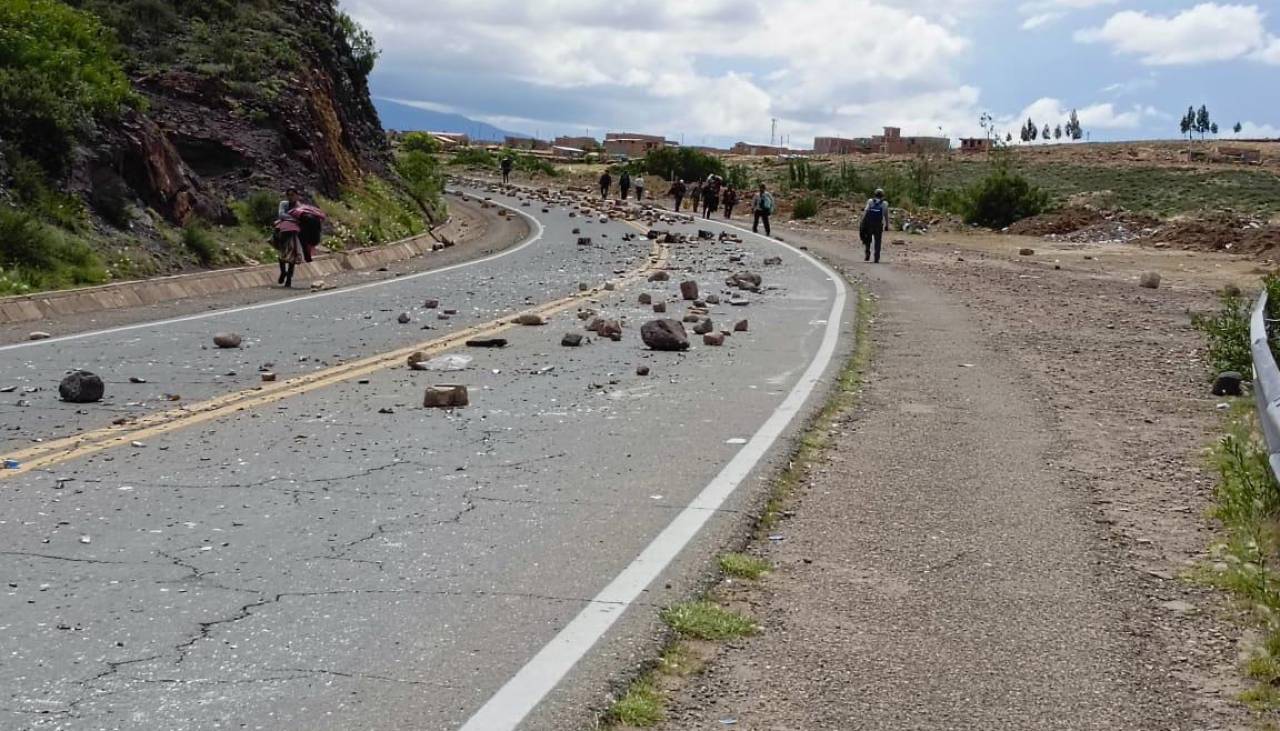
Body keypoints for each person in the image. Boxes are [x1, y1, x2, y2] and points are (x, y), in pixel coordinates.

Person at [274, 187, 306, 288]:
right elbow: (281, 214)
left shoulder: (299, 206)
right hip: (284, 231)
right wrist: (293, 218)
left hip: (294, 233)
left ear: (297, 195)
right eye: (289, 195)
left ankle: (289, 278)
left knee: (293, 255)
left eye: (293, 195)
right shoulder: (283, 204)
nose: (290, 197)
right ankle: (283, 272)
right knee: (281, 254)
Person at [860, 187, 890, 263]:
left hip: (869, 224)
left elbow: (865, 212)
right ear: (883, 195)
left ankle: (867, 252)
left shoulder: (870, 201)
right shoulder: (885, 204)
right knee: (878, 241)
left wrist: (863, 222)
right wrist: (887, 225)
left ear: (875, 194)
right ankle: (876, 257)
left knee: (868, 239)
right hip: (878, 225)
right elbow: (886, 216)